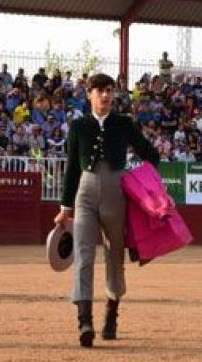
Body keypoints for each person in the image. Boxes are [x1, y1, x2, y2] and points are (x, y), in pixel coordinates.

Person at [54, 73, 159, 347]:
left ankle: (111, 315)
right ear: (89, 94)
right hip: (84, 195)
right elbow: (72, 170)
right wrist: (65, 207)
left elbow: (152, 155)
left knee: (114, 257)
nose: (105, 95)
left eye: (109, 90)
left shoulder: (123, 124)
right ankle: (84, 321)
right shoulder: (78, 127)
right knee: (84, 256)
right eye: (100, 90)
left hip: (116, 194)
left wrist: (138, 182)